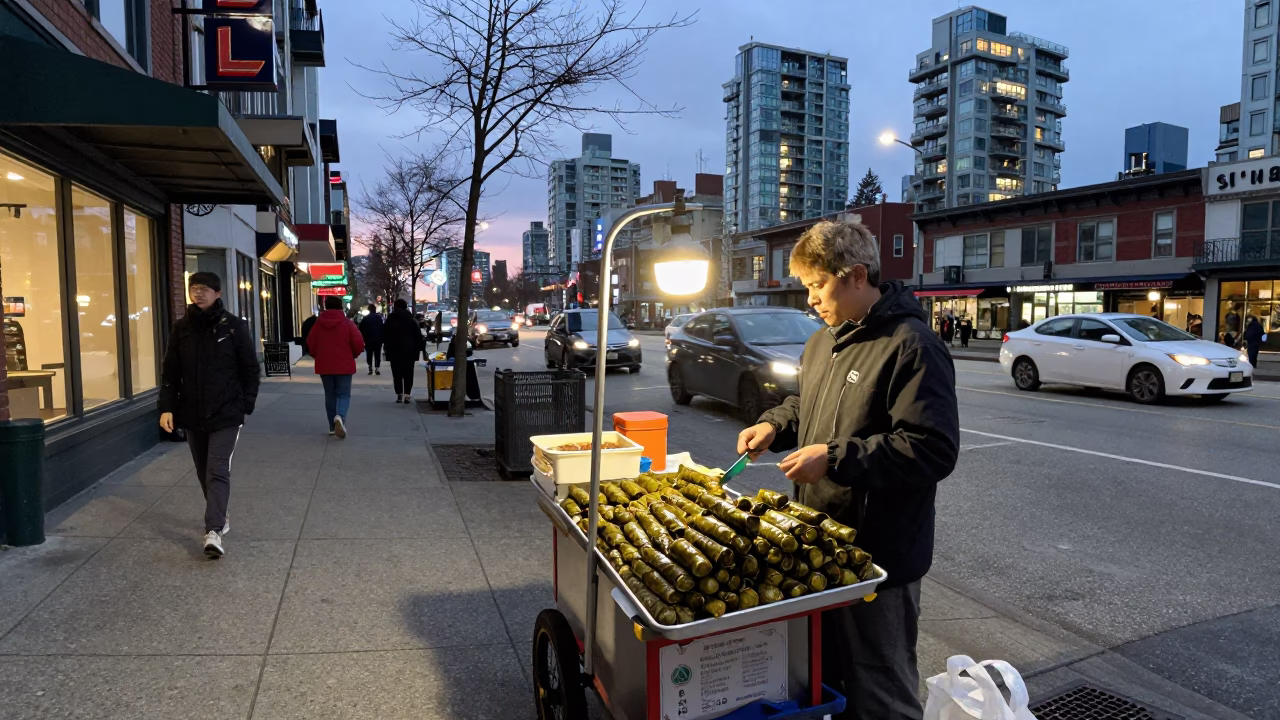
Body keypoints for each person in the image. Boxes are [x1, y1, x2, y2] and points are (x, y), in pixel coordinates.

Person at [736, 220, 959, 720]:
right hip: (821, 546)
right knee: (825, 678)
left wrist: (834, 458)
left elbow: (932, 449)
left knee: (882, 690)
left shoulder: (912, 345)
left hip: (880, 556)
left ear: (857, 274)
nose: (811, 300)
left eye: (818, 285)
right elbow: (806, 404)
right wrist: (774, 426)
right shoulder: (824, 341)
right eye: (806, 288)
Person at [158, 271, 260, 559]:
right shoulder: (182, 329)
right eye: (194, 288)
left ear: (217, 293)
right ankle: (221, 515)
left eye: (204, 289)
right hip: (191, 413)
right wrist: (166, 406)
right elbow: (170, 373)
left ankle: (213, 530)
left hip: (226, 412)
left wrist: (245, 405)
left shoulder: (234, 327)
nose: (198, 293)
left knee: (217, 469)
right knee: (204, 471)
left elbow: (250, 369)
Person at [306, 296, 364, 438]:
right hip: (344, 365)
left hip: (325, 365)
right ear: (341, 307)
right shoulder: (348, 324)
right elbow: (359, 343)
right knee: (343, 394)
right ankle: (340, 417)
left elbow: (310, 343)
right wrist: (353, 355)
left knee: (330, 395)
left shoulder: (318, 324)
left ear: (325, 306)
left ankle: (332, 426)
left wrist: (317, 356)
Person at [384, 298, 427, 403]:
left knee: (397, 372)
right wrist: (419, 349)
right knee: (408, 372)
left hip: (394, 351)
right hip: (409, 351)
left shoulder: (390, 319)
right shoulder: (411, 320)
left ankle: (399, 393)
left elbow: (385, 334)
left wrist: (386, 347)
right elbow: (418, 336)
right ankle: (407, 393)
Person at [358, 304, 385, 375]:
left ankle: (370, 367)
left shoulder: (366, 318)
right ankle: (377, 368)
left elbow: (360, 328)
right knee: (377, 354)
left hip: (368, 339)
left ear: (369, 310)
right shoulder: (379, 318)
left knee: (369, 354)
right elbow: (382, 328)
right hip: (378, 339)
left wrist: (363, 337)